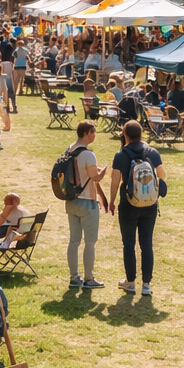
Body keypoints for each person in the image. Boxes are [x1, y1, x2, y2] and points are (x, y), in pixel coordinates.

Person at [107, 120, 165, 296]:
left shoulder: (121, 155)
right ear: (142, 134)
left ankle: (130, 282)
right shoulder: (152, 152)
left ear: (125, 135)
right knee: (146, 243)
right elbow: (161, 175)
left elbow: (115, 182)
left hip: (129, 204)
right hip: (150, 204)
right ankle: (146, 284)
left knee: (129, 243)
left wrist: (111, 201)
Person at [64, 120, 110, 289]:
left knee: (74, 240)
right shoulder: (88, 155)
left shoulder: (70, 149)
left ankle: (73, 277)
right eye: (93, 132)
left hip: (71, 200)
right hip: (87, 201)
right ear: (87, 133)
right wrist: (103, 171)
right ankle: (89, 278)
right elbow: (95, 177)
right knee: (90, 241)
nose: (94, 135)